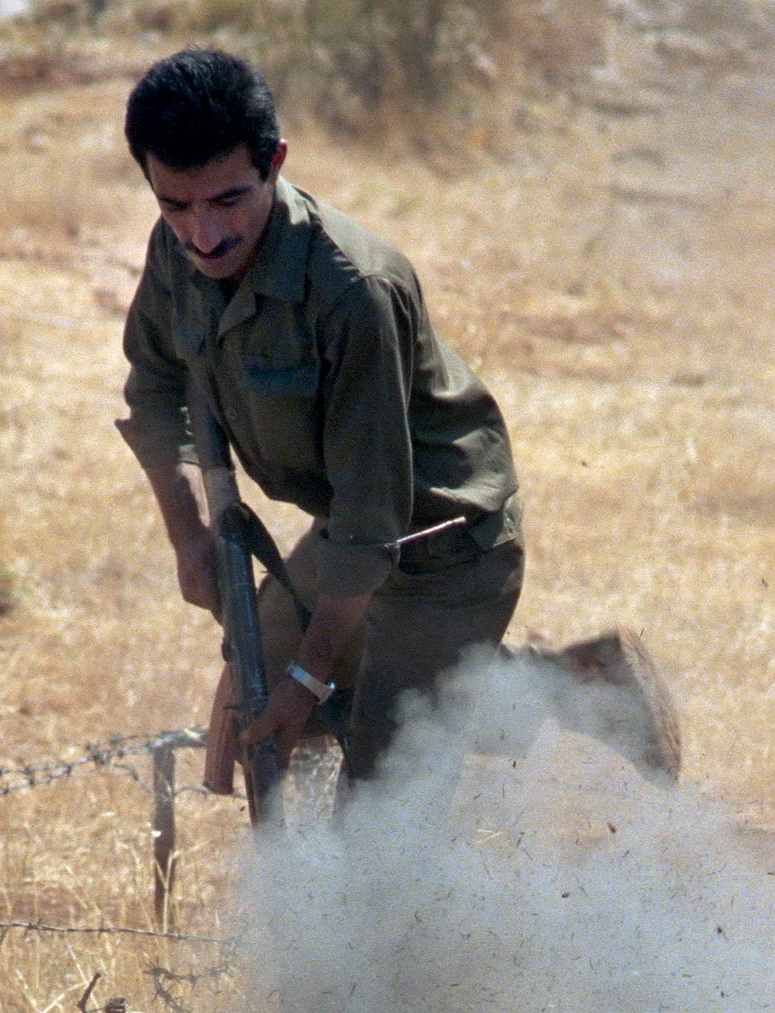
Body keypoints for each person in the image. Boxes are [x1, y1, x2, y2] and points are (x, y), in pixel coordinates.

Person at [112, 50, 682, 792]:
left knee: (383, 799)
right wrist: (188, 534)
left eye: (227, 201)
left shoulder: (355, 291)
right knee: (252, 713)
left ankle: (578, 688)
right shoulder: (178, 251)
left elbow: (373, 512)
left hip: (444, 537)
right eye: (176, 206)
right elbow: (157, 389)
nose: (205, 235)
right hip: (349, 524)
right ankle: (441, 689)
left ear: (275, 162)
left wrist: (311, 677)